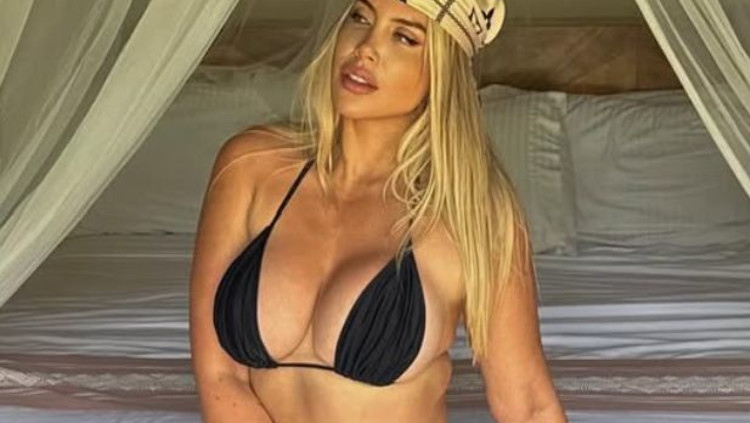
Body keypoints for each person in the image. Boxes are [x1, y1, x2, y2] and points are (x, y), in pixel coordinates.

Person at [190, 0, 567, 421]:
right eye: (360, 17)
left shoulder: (471, 213)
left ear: (440, 74)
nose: (365, 48)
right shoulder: (249, 166)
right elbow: (221, 377)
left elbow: (527, 405)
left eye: (404, 37)